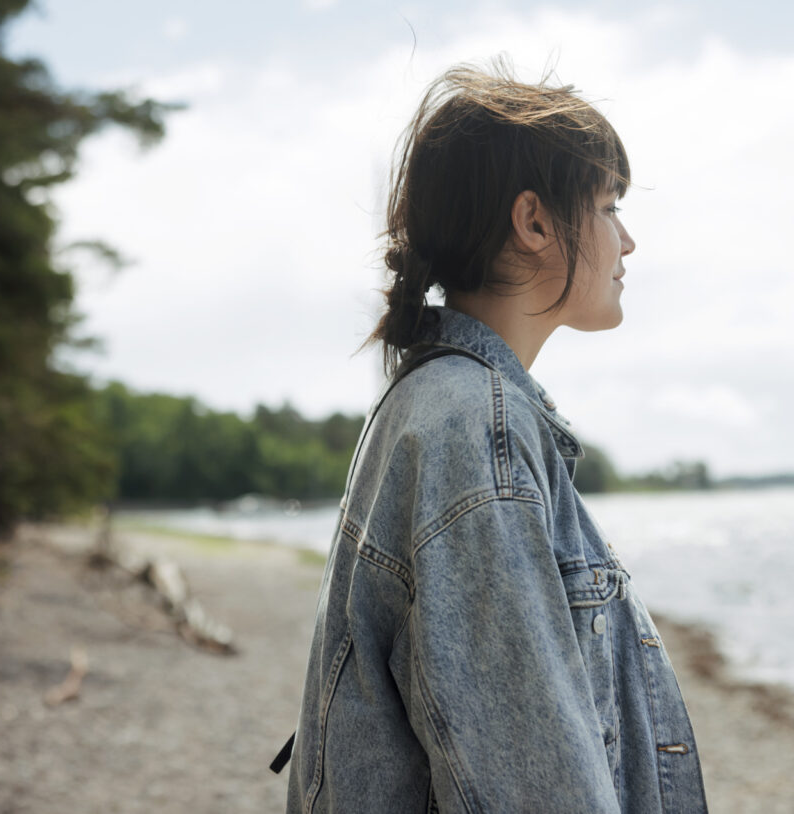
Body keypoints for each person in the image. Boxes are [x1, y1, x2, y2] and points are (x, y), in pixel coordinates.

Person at [280, 60, 709, 813]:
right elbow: (532, 786)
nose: (629, 241)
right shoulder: (478, 429)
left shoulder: (446, 405)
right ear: (535, 221)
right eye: (610, 206)